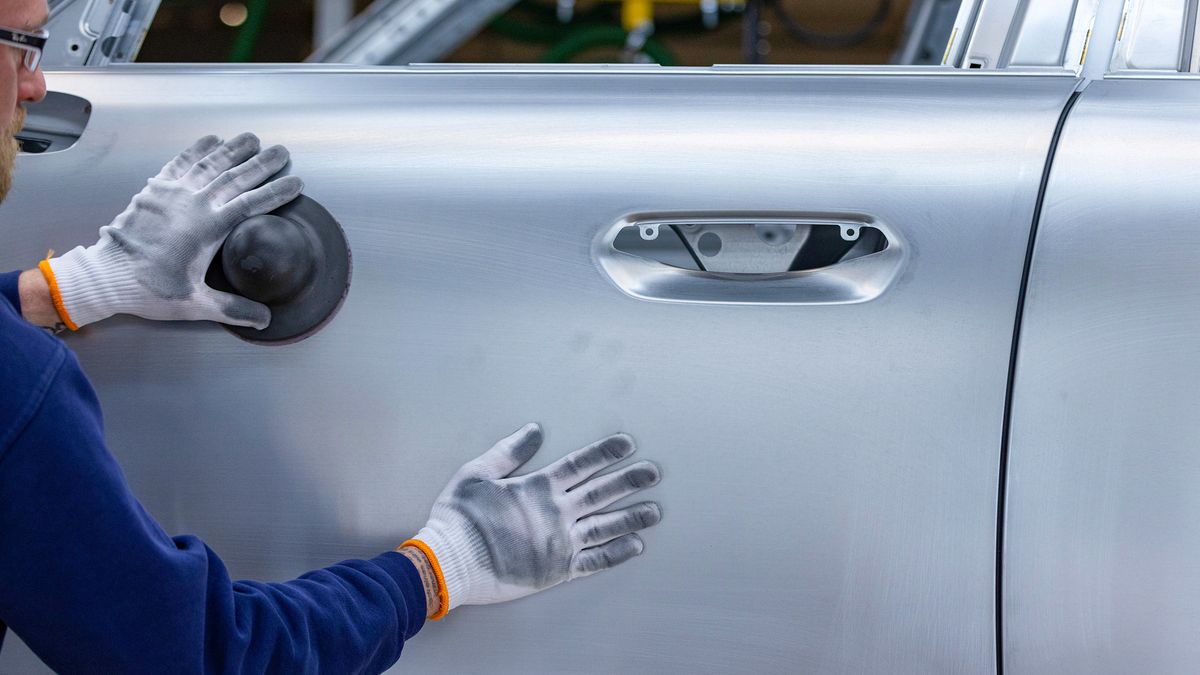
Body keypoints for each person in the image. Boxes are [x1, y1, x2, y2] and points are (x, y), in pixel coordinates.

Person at [0, 1, 664, 672]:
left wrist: (59, 291)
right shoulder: (17, 382)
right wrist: (437, 570)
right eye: (25, 47)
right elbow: (201, 656)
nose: (38, 85)